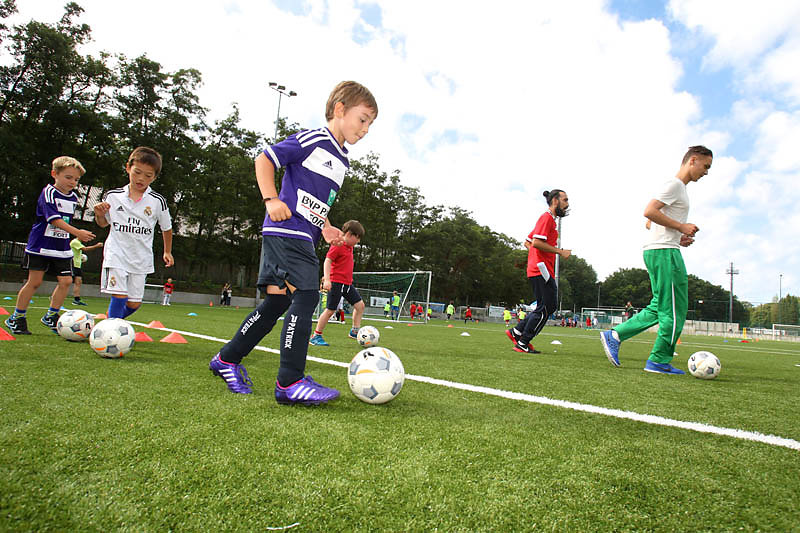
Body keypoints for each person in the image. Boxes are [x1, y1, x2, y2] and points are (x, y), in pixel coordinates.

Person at [208, 81, 378, 403]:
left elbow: (312, 197)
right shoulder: (314, 139)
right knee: (307, 296)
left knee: (277, 303)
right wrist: (270, 199)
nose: (366, 129)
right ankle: (289, 382)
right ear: (340, 110)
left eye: (370, 123)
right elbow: (264, 159)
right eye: (363, 119)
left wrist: (325, 225)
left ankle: (227, 359)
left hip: (300, 235)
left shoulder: (342, 160)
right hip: (288, 232)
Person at [600, 146, 712, 374]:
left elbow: (650, 223)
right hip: (664, 253)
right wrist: (681, 227)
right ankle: (659, 360)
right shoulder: (675, 185)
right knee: (674, 310)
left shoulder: (678, 188)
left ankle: (615, 335)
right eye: (706, 166)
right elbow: (649, 212)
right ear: (693, 160)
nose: (706, 172)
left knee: (659, 306)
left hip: (662, 249)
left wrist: (678, 236)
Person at [4, 156, 95, 335]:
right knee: (35, 282)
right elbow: (54, 219)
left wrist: (72, 233)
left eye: (76, 179)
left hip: (61, 248)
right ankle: (17, 317)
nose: (72, 182)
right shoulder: (49, 193)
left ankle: (51, 316)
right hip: (41, 245)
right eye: (68, 177)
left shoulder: (73, 197)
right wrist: (77, 232)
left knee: (66, 281)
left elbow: (65, 221)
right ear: (55, 174)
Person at [94, 147, 174, 320]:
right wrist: (99, 214)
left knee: (134, 303)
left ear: (154, 177)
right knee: (119, 296)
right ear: (128, 168)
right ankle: (111, 331)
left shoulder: (157, 201)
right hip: (116, 254)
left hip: (141, 258)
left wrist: (167, 251)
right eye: (137, 172)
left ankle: (109, 323)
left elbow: (166, 228)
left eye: (148, 175)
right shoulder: (113, 196)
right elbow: (103, 223)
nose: (141, 178)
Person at [506, 189, 571, 354]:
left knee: (548, 306)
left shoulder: (548, 220)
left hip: (539, 268)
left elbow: (528, 242)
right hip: (541, 270)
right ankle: (523, 342)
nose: (567, 204)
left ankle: (517, 332)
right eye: (565, 200)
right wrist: (560, 251)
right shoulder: (546, 218)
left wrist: (537, 256)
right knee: (546, 307)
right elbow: (535, 242)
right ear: (555, 200)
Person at [309, 220, 366, 346]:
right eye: (357, 238)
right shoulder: (338, 245)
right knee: (330, 310)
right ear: (349, 234)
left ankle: (355, 331)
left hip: (347, 284)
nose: (358, 241)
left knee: (360, 306)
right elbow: (328, 261)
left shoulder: (349, 247)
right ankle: (316, 335)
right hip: (336, 283)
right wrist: (327, 279)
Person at [70, 237, 103, 306]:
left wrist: (80, 257)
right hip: (73, 264)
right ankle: (55, 296)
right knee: (66, 281)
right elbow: (85, 249)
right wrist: (96, 246)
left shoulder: (78, 243)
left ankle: (76, 300)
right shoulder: (75, 242)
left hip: (77, 265)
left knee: (78, 282)